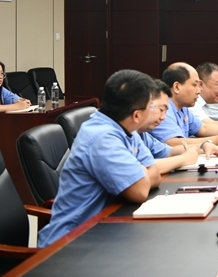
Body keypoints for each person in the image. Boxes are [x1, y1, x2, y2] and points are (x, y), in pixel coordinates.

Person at [38, 70, 161, 247]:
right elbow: (140, 191)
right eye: (151, 106)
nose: (152, 111)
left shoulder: (124, 126)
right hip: (70, 242)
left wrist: (139, 172)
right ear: (136, 115)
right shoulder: (102, 137)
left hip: (102, 228)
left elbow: (154, 173)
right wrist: (140, 171)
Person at [140, 79, 218, 174]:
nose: (163, 117)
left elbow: (169, 151)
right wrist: (184, 159)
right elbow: (143, 170)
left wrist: (204, 146)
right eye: (161, 110)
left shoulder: (141, 135)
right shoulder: (131, 135)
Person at [149, 62, 218, 148]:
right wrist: (216, 140)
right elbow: (172, 143)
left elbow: (204, 128)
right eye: (195, 85)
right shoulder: (163, 110)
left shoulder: (183, 108)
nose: (199, 91)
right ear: (177, 87)